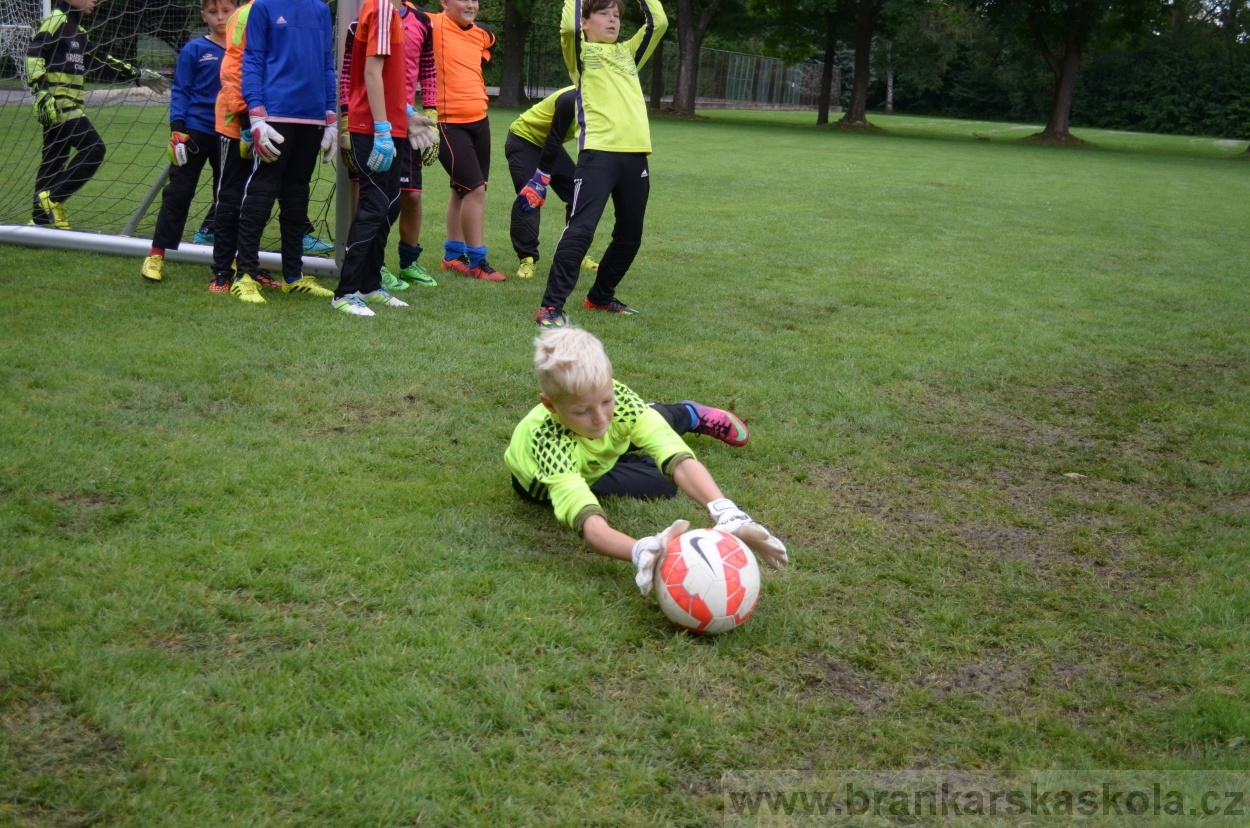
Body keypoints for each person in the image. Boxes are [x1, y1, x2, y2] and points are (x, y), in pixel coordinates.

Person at [505, 327, 788, 595]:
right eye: (581, 411)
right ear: (551, 405)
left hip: (601, 450)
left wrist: (727, 512)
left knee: (650, 424)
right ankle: (643, 432)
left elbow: (674, 454)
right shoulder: (549, 443)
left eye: (606, 400)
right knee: (661, 483)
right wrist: (639, 549)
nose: (600, 417)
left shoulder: (617, 401)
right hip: (558, 479)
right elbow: (590, 524)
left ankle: (688, 413)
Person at [533, 0, 666, 328]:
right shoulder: (581, 53)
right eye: (604, 13)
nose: (613, 20)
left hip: (636, 155)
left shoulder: (628, 53)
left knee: (630, 235)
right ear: (586, 21)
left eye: (617, 15)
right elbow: (566, 27)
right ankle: (551, 307)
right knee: (581, 230)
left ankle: (600, 297)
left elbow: (658, 22)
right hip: (598, 154)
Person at [229, 0, 338, 305]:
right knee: (261, 192)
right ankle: (245, 275)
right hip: (275, 115)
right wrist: (257, 116)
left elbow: (326, 63)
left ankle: (293, 276)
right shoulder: (262, 7)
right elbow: (252, 60)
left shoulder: (319, 9)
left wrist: (330, 113)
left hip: (312, 118)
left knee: (297, 196)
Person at [25, 0, 170, 229]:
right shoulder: (55, 21)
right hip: (59, 105)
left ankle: (39, 220)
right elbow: (34, 54)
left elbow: (101, 59)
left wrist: (136, 74)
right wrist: (42, 91)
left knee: (54, 161)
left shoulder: (79, 32)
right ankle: (54, 199)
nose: (95, 1)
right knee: (94, 149)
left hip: (68, 106)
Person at [333, 0, 431, 316]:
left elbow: (389, 78)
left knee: (390, 204)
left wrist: (407, 113)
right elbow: (372, 73)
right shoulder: (382, 9)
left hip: (393, 125)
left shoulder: (391, 11)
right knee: (375, 205)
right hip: (374, 128)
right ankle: (345, 292)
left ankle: (369, 284)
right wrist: (382, 128)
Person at [141, 0, 236, 283]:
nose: (220, 17)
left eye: (226, 10)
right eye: (213, 12)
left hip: (230, 132)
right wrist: (177, 129)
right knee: (178, 193)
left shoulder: (244, 48)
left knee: (229, 198)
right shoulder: (194, 49)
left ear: (236, 11)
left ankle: (229, 258)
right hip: (195, 131)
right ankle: (156, 255)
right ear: (203, 15)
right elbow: (180, 90)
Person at [428, 0, 502, 281]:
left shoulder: (482, 34)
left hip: (480, 121)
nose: (471, 4)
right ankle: (477, 261)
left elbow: (489, 42)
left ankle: (451, 256)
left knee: (463, 190)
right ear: (445, 3)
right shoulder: (431, 24)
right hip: (449, 123)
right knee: (474, 191)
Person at [506, 85, 599, 280]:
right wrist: (541, 178)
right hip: (524, 139)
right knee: (531, 197)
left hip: (549, 144)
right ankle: (527, 259)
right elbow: (554, 137)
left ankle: (576, 252)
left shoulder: (607, 102)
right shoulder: (570, 98)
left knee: (580, 195)